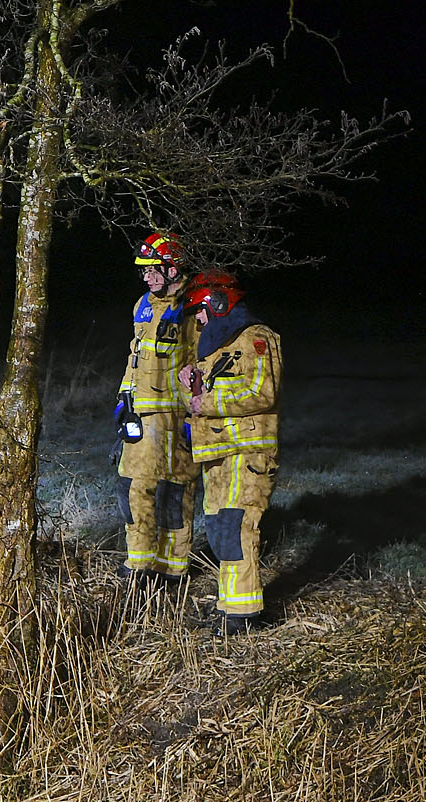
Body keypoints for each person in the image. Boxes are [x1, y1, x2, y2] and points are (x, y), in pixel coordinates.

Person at [179, 270, 281, 634]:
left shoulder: (256, 337)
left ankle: (244, 615)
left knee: (239, 528)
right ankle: (230, 607)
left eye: (201, 311)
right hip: (217, 453)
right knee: (221, 529)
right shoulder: (211, 348)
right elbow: (199, 403)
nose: (199, 319)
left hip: (247, 452)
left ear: (219, 303)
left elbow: (262, 391)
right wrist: (189, 385)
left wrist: (203, 400)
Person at [113, 231, 200, 588]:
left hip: (177, 418)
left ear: (173, 268)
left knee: (176, 492)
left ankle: (173, 568)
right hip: (142, 416)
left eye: (152, 270)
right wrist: (122, 401)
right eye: (143, 271)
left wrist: (198, 414)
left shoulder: (191, 310)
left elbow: (199, 362)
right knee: (133, 486)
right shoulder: (142, 305)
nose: (147, 278)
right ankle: (139, 563)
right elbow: (134, 358)